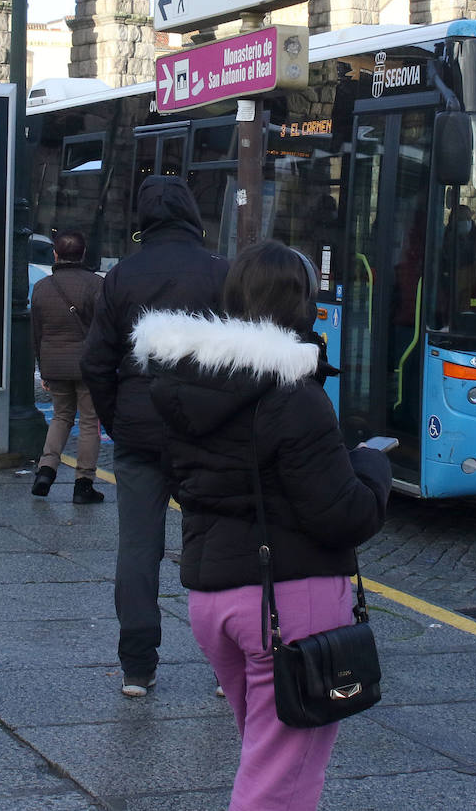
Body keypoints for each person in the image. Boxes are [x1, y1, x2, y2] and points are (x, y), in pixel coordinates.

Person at [135, 241, 390, 811]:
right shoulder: (293, 396)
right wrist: (371, 466)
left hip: (212, 598)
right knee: (282, 781)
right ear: (303, 306)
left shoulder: (184, 384)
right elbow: (342, 514)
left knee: (263, 755)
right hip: (286, 600)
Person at [80, 176, 228, 696]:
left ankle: (137, 666)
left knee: (137, 547)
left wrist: (117, 419)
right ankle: (223, 662)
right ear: (191, 214)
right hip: (205, 433)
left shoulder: (122, 277)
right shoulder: (218, 273)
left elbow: (95, 360)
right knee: (213, 544)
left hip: (140, 430)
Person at [29, 229, 104, 504]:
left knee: (61, 417)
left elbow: (36, 332)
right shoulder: (96, 284)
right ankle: (83, 484)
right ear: (83, 254)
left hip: (54, 364)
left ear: (55, 254)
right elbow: (103, 329)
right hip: (87, 366)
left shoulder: (41, 287)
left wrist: (43, 367)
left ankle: (45, 471)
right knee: (88, 422)